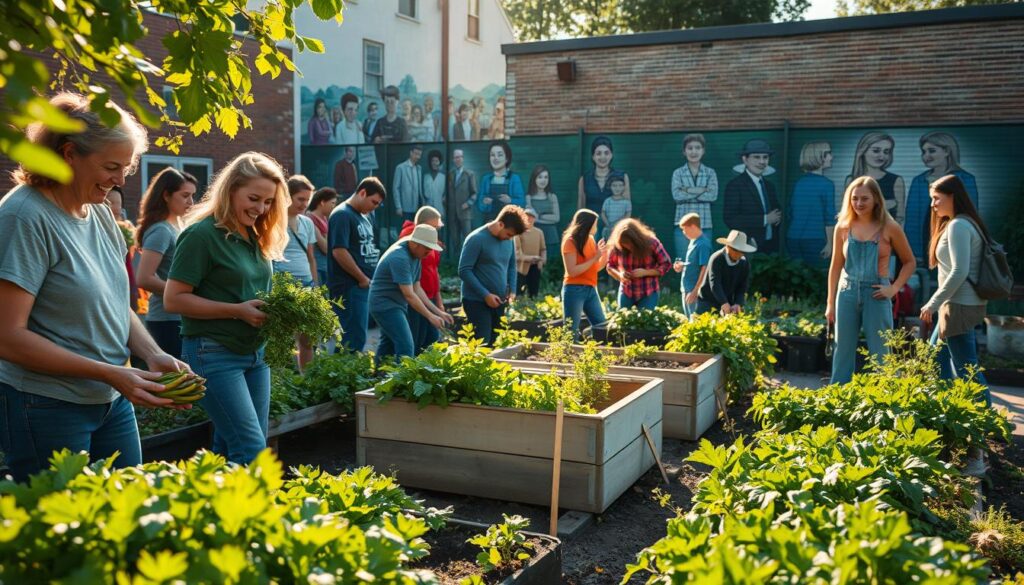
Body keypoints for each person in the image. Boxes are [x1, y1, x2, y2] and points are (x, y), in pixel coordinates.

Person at [0, 92, 182, 482]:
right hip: (45, 404)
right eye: (111, 167)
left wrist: (152, 353)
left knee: (126, 516)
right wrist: (110, 373)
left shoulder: (99, 212)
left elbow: (116, 304)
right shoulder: (24, 216)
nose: (120, 181)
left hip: (112, 400)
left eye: (127, 168)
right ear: (68, 154)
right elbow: (7, 337)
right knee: (64, 532)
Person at [164, 151, 290, 465]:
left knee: (229, 449)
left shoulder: (254, 234)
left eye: (268, 202)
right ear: (230, 189)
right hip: (214, 352)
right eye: (254, 198)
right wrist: (238, 310)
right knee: (251, 450)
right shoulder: (201, 235)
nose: (261, 209)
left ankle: (205, 509)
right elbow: (174, 299)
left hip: (255, 355)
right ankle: (255, 514)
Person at [919, 174, 991, 475]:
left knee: (968, 372)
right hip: (957, 304)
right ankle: (951, 422)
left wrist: (933, 302)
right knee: (936, 357)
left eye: (937, 198)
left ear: (952, 196)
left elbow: (959, 270)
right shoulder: (956, 223)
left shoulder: (960, 225)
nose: (933, 204)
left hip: (958, 305)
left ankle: (977, 448)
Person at [825, 177, 916, 385]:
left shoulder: (890, 227)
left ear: (876, 199)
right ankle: (837, 401)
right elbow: (836, 266)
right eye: (854, 198)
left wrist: (893, 289)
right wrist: (830, 303)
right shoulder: (843, 226)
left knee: (881, 352)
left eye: (864, 198)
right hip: (846, 293)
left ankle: (884, 404)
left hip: (876, 294)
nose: (858, 203)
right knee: (842, 351)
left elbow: (909, 262)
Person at [136, 167, 198, 359]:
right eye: (185, 195)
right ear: (166, 195)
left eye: (192, 196)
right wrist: (179, 293)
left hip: (180, 316)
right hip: (166, 320)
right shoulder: (161, 230)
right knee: (174, 383)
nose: (191, 202)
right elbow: (144, 278)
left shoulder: (178, 226)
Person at [370, 224, 452, 359]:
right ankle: (403, 379)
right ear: (414, 244)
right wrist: (430, 316)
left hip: (396, 304)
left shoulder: (417, 255)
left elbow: (417, 288)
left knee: (389, 344)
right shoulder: (400, 257)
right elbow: (409, 295)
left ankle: (378, 375)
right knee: (406, 345)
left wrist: (437, 312)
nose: (429, 253)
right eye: (427, 249)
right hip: (385, 305)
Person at [328, 177, 385, 353]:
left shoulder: (363, 217)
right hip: (349, 286)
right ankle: (344, 376)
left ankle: (350, 374)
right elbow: (339, 251)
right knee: (351, 336)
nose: (374, 207)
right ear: (362, 193)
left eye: (378, 204)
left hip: (362, 285)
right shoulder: (342, 214)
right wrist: (361, 278)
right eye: (373, 201)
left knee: (358, 334)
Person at [459, 205, 528, 345]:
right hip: (476, 301)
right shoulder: (476, 238)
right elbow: (464, 270)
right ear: (500, 224)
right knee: (482, 343)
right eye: (509, 234)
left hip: (499, 301)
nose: (510, 238)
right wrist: (485, 295)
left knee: (496, 344)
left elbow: (511, 266)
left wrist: (513, 290)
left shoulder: (509, 240)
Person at [906, 132, 979, 261]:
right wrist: (914, 254)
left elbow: (970, 215)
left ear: (947, 151)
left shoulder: (966, 179)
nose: (926, 156)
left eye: (931, 151)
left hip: (954, 242)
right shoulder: (919, 181)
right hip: (926, 246)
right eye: (924, 152)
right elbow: (912, 220)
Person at [274, 176, 319, 371]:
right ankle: (283, 380)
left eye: (307, 200)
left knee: (307, 337)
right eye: (300, 199)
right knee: (281, 339)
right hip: (282, 283)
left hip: (306, 284)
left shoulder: (307, 223)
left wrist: (315, 286)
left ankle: (306, 380)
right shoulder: (274, 220)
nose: (304, 204)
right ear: (288, 196)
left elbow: (311, 256)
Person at [398, 207, 448, 353]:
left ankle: (424, 370)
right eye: (433, 227)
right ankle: (413, 370)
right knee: (416, 338)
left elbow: (434, 270)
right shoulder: (412, 239)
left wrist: (439, 301)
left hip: (429, 296)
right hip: (416, 297)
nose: (436, 232)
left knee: (430, 337)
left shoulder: (431, 241)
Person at [723, 139, 782, 254]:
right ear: (745, 159)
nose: (762, 162)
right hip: (747, 246)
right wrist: (765, 219)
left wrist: (778, 218)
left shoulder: (769, 186)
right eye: (756, 157)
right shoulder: (735, 185)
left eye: (765, 157)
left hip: (770, 245)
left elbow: (776, 212)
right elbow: (730, 218)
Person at [561, 209, 609, 339]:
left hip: (591, 289)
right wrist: (594, 258)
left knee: (602, 326)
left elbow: (595, 268)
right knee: (571, 332)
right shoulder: (570, 241)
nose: (596, 227)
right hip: (574, 289)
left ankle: (592, 346)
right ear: (587, 224)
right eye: (595, 224)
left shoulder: (591, 240)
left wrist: (604, 256)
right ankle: (568, 356)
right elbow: (572, 271)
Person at [787, 142, 837, 268]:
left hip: (793, 238)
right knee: (817, 279)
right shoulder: (827, 184)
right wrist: (830, 244)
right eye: (829, 153)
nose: (832, 157)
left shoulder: (798, 183)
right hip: (815, 240)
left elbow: (791, 212)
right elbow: (829, 217)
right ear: (819, 156)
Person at [606, 218, 672, 310]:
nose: (628, 247)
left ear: (637, 239)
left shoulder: (652, 243)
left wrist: (645, 272)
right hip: (626, 291)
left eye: (629, 244)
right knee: (623, 320)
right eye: (624, 245)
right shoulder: (616, 245)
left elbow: (666, 264)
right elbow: (610, 266)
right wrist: (620, 274)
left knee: (646, 322)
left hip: (648, 292)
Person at [670, 134, 718, 258]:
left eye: (697, 148)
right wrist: (702, 190)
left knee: (704, 263)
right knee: (683, 262)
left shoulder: (710, 172)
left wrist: (687, 190)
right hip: (682, 226)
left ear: (703, 151)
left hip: (705, 224)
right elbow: (677, 196)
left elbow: (712, 196)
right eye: (690, 148)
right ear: (684, 151)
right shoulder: (678, 173)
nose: (694, 151)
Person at [845, 132, 904, 224]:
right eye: (876, 150)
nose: (881, 156)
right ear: (863, 151)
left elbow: (900, 216)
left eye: (886, 152)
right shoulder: (851, 180)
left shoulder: (896, 181)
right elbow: (847, 213)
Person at [578, 136, 630, 232]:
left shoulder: (622, 176)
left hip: (615, 230)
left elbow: (627, 209)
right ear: (593, 156)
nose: (603, 157)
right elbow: (581, 209)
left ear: (611, 155)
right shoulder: (584, 179)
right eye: (598, 153)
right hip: (591, 230)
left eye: (606, 153)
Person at [697, 230, 755, 315]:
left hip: (728, 302)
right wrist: (724, 302)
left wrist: (738, 303)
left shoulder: (744, 263)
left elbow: (742, 286)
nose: (739, 253)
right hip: (707, 302)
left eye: (741, 251)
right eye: (735, 249)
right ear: (727, 246)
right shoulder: (716, 258)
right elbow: (715, 283)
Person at [673, 213, 712, 319]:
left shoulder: (703, 244)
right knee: (689, 320)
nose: (683, 233)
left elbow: (705, 269)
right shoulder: (693, 241)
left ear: (693, 227)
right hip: (686, 289)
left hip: (694, 291)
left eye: (685, 229)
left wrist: (695, 291)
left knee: (694, 322)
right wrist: (682, 266)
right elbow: (693, 264)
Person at [477, 141, 525, 223]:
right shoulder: (486, 179)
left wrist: (510, 201)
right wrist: (485, 203)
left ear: (507, 158)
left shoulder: (514, 178)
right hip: (489, 223)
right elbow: (480, 205)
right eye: (492, 155)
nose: (496, 158)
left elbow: (522, 203)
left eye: (500, 155)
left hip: (509, 224)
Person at [306, 186, 338, 287]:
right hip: (317, 268)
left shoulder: (324, 219)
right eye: (332, 203)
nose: (334, 206)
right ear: (322, 202)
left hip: (326, 267)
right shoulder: (310, 219)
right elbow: (326, 248)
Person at [525, 165, 560, 255]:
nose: (543, 180)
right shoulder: (528, 197)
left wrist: (540, 216)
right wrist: (548, 218)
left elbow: (556, 218)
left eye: (546, 177)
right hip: (534, 235)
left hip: (551, 236)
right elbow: (531, 219)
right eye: (540, 177)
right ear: (534, 179)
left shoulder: (552, 197)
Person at [449, 148, 478, 247]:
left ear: (463, 159)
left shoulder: (469, 174)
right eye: (456, 157)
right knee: (455, 241)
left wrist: (468, 203)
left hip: (465, 214)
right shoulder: (450, 174)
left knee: (468, 240)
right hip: (453, 213)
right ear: (453, 159)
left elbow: (474, 194)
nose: (458, 159)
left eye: (459, 157)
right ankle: (455, 262)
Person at [515, 208, 546, 298]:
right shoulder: (518, 233)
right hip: (521, 268)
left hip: (535, 267)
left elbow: (543, 249)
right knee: (518, 294)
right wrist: (531, 258)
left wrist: (542, 261)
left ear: (535, 219)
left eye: (531, 216)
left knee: (533, 293)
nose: (529, 218)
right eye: (526, 216)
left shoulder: (539, 232)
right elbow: (517, 255)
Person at [393, 145, 423, 221]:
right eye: (416, 154)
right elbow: (396, 188)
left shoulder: (419, 168)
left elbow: (419, 189)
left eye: (419, 155)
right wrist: (398, 206)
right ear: (411, 153)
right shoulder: (401, 168)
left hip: (417, 207)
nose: (418, 157)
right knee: (406, 230)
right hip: (405, 207)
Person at [600, 176, 631, 241]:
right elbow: (603, 213)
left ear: (624, 187)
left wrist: (617, 225)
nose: (617, 188)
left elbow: (627, 215)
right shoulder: (607, 201)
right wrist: (608, 224)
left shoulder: (627, 202)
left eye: (620, 185)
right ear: (610, 187)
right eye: (614, 186)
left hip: (621, 229)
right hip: (608, 228)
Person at [423, 150, 446, 220]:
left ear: (439, 162)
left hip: (440, 207)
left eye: (436, 161)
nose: (434, 163)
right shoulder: (426, 176)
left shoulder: (443, 177)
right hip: (428, 208)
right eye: (433, 161)